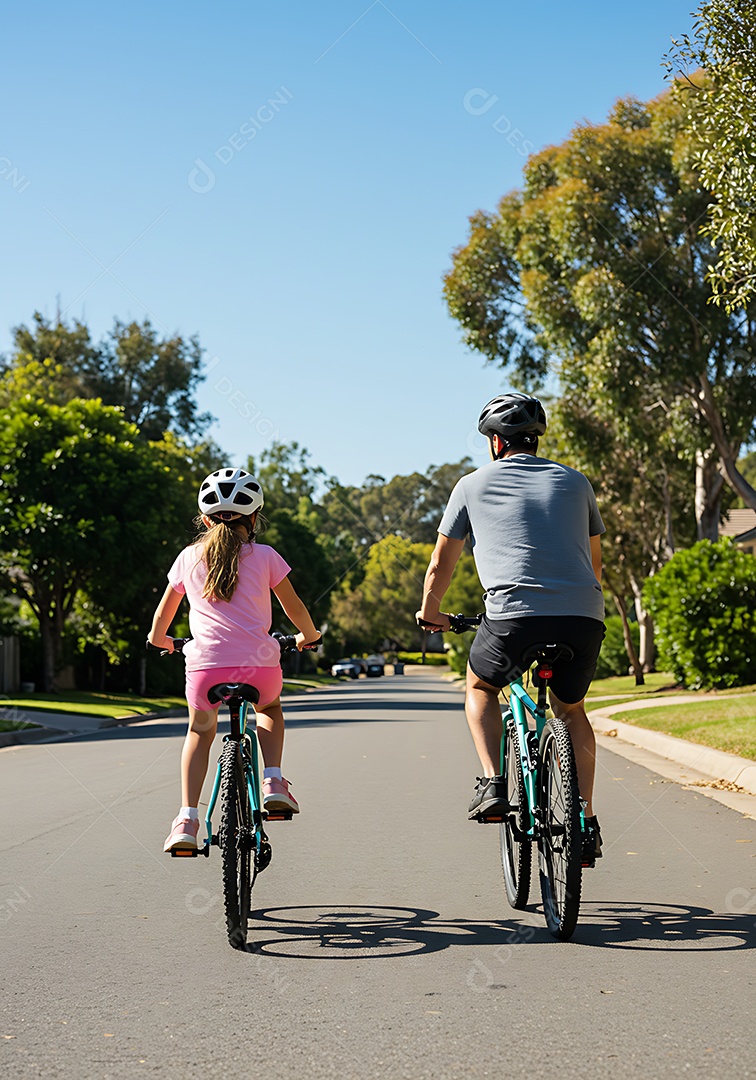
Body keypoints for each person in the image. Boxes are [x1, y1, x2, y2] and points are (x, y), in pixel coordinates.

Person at [416, 394, 605, 864]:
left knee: (480, 686)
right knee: (571, 710)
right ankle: (583, 819)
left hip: (512, 616)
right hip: (583, 615)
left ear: (496, 442)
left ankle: (492, 783)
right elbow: (594, 561)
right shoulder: (576, 482)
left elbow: (442, 562)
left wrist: (431, 612)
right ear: (534, 440)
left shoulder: (470, 485)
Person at [148, 467, 321, 853]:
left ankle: (187, 821)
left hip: (204, 669)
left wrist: (165, 642)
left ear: (205, 519)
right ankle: (273, 782)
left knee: (198, 732)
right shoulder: (266, 556)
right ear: (254, 518)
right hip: (259, 668)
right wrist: (308, 637)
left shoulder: (188, 557)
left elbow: (161, 621)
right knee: (270, 707)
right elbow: (295, 608)